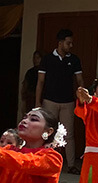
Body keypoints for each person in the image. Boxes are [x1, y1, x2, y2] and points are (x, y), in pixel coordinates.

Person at [36, 29, 84, 174]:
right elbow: (40, 81)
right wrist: (38, 102)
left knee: (68, 134)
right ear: (60, 43)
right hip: (49, 101)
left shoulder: (74, 59)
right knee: (47, 132)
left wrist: (82, 96)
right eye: (68, 43)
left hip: (68, 102)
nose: (71, 45)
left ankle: (70, 165)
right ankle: (44, 162)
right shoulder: (47, 59)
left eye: (71, 43)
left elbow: (80, 79)